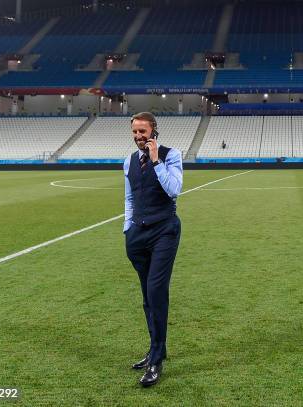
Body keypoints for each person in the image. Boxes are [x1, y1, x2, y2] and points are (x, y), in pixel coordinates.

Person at [123, 111, 183, 387]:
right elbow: (129, 196)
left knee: (157, 291)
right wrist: (128, 227)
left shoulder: (172, 155)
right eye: (135, 132)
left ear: (154, 131)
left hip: (164, 231)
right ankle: (154, 349)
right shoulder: (129, 161)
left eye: (143, 131)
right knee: (147, 296)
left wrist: (157, 160)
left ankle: (156, 361)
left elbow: (174, 190)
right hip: (137, 235)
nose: (138, 137)